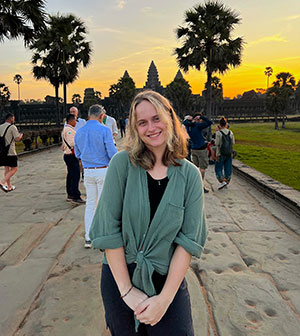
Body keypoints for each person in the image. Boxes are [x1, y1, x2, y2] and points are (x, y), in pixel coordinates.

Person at [90, 91, 207, 335]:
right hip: (119, 275)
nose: (151, 128)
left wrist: (164, 300)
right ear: (135, 128)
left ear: (169, 118)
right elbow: (109, 230)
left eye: (156, 118)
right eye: (142, 122)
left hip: (166, 278)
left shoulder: (190, 176)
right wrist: (126, 291)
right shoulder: (121, 165)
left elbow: (188, 242)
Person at [74, 105, 117, 248]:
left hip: (88, 171)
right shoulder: (104, 130)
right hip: (102, 170)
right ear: (101, 116)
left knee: (90, 204)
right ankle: (103, 234)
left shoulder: (79, 131)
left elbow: (77, 154)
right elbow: (112, 153)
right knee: (104, 204)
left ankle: (88, 236)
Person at [183, 113, 212, 193]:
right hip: (201, 149)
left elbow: (184, 122)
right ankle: (200, 185)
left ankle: (193, 185)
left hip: (193, 149)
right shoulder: (197, 126)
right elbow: (209, 122)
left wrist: (187, 119)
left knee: (195, 168)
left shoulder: (188, 126)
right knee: (202, 169)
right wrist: (201, 117)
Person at [61, 114, 84, 204]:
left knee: (70, 175)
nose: (75, 123)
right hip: (71, 155)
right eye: (75, 121)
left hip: (68, 155)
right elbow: (72, 143)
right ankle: (75, 195)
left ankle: (70, 193)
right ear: (70, 121)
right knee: (75, 175)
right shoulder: (69, 130)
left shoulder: (66, 129)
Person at [0, 113, 23, 192]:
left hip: (2, 151)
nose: (14, 120)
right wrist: (20, 136)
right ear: (10, 119)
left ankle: (9, 186)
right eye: (13, 118)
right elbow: (16, 139)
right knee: (14, 168)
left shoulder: (0, 127)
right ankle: (2, 182)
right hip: (10, 151)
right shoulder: (12, 127)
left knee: (7, 168)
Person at [215, 116, 235, 189]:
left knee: (218, 168)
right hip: (229, 153)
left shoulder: (218, 133)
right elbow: (233, 142)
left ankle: (222, 180)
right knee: (228, 167)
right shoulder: (230, 132)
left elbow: (217, 144)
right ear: (226, 124)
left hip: (220, 153)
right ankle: (227, 180)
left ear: (220, 125)